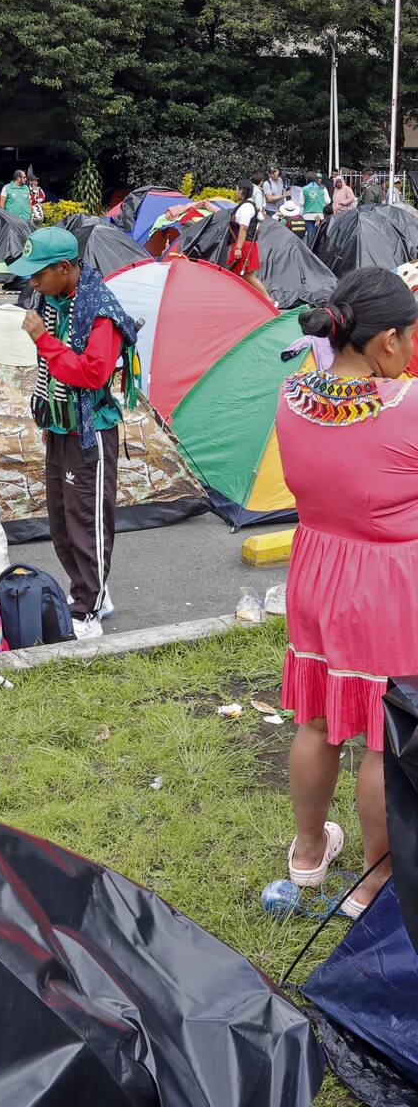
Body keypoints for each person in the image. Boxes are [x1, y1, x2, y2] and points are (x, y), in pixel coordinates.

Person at [277, 268, 418, 917]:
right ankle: (374, 882)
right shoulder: (409, 407)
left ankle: (308, 852)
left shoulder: (291, 393)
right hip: (387, 585)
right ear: (387, 340)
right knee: (380, 739)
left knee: (317, 721)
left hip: (315, 571)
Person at [11, 227, 140, 640]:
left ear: (64, 268)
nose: (33, 283)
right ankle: (87, 592)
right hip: (60, 424)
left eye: (39, 274)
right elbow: (53, 373)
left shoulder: (100, 310)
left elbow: (91, 373)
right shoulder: (51, 299)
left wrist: (43, 340)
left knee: (88, 520)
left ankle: (91, 606)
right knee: (62, 519)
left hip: (91, 430)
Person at [226, 179, 272, 301]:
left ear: (241, 190)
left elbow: (244, 228)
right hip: (244, 243)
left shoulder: (246, 207)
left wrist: (238, 248)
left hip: (243, 245)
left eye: (236, 189)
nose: (235, 192)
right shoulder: (249, 206)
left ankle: (267, 299)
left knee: (247, 275)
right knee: (241, 276)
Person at [301, 173, 329, 241]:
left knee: (310, 235)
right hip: (320, 215)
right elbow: (328, 201)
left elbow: (301, 203)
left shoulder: (304, 189)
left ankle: (309, 250)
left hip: (308, 215)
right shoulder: (322, 188)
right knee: (319, 235)